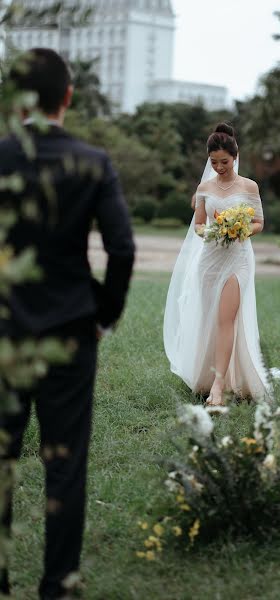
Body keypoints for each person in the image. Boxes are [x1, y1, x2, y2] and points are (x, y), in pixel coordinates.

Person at [0, 49, 134, 599]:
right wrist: (101, 315)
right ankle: (57, 585)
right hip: (71, 333)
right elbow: (122, 250)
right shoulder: (92, 161)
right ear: (68, 98)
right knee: (66, 463)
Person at [164, 123, 275, 406]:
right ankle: (210, 374)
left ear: (235, 157)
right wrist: (215, 231)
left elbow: (259, 222)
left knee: (227, 321)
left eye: (224, 161)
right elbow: (199, 224)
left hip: (237, 260)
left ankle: (218, 386)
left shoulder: (249, 186)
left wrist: (240, 230)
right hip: (210, 261)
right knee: (211, 319)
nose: (219, 167)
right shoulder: (205, 188)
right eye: (214, 162)